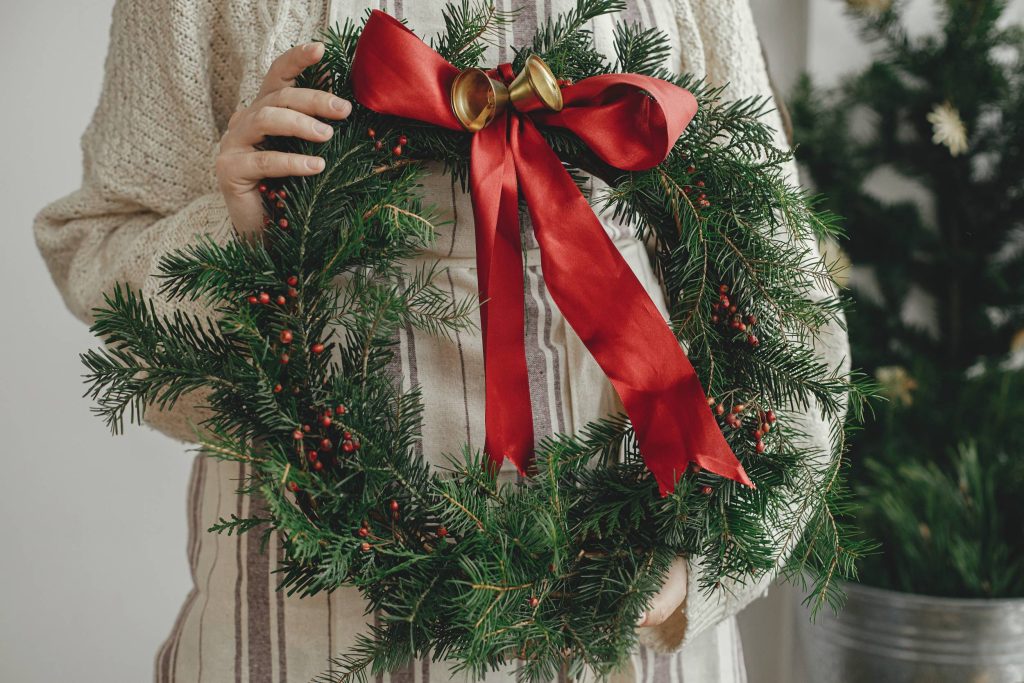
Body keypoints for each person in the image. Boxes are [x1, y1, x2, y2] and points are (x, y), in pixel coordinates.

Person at [34, 0, 849, 681]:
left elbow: (779, 290)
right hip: (307, 630)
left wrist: (702, 571)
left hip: (630, 623)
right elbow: (102, 256)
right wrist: (240, 236)